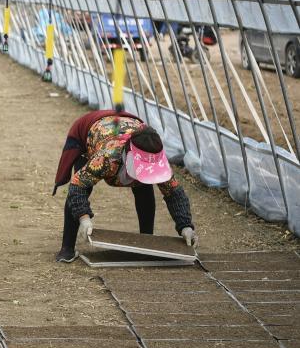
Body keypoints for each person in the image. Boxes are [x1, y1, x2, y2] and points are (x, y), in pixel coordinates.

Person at [52, 109, 197, 263]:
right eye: (142, 167)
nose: (146, 171)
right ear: (129, 156)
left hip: (127, 127)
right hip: (88, 131)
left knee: (144, 187)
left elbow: (174, 192)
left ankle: (146, 241)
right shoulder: (107, 158)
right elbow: (77, 185)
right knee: (84, 184)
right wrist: (84, 217)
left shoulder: (154, 154)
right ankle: (66, 248)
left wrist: (185, 226)